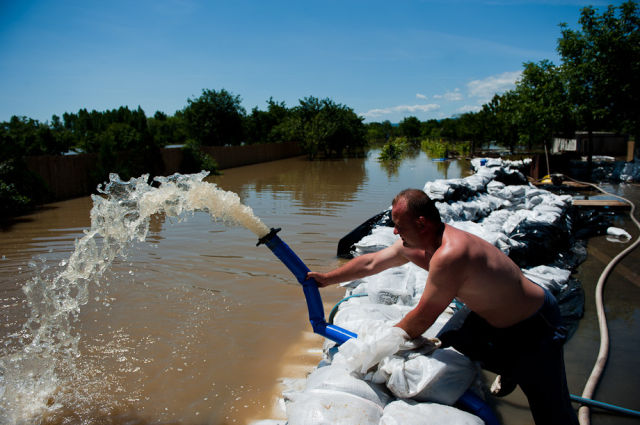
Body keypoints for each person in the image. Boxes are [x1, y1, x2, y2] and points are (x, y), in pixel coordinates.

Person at [307, 188, 578, 425]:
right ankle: (508, 368)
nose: (394, 232)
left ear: (422, 223)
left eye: (399, 226)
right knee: (450, 341)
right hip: (484, 315)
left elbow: (421, 318)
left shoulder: (451, 253)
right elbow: (371, 262)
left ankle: (516, 371)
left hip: (532, 324)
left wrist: (379, 346)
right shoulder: (414, 244)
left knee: (551, 411)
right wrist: (328, 279)